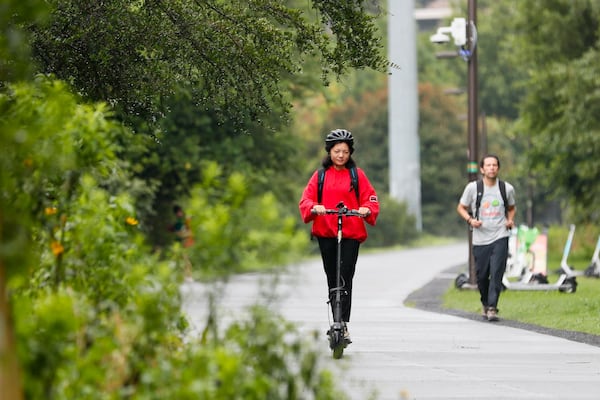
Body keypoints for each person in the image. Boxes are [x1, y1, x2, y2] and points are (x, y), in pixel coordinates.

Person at [299, 129, 379, 341]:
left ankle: (342, 322)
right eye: (337, 151)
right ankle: (335, 318)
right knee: (332, 276)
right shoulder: (320, 176)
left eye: (345, 151)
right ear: (329, 152)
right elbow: (305, 200)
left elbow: (370, 198)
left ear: (350, 152)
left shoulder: (357, 175)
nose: (341, 155)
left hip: (350, 232)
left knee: (346, 275)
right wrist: (315, 207)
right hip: (326, 232)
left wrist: (366, 209)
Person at [456, 154, 516, 322]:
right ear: (482, 169)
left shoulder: (506, 188)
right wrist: (470, 220)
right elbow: (461, 207)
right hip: (480, 238)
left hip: (500, 235)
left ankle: (492, 308)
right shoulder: (473, 188)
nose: (491, 168)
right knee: (482, 276)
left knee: (497, 272)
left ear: (498, 168)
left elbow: (511, 208)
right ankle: (485, 302)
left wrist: (510, 220)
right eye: (488, 165)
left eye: (494, 165)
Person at [169, 204, 195, 282]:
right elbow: (179, 233)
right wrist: (188, 233)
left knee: (184, 260)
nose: (181, 213)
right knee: (184, 260)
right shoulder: (178, 222)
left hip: (183, 242)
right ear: (177, 212)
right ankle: (187, 276)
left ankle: (185, 276)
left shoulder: (182, 221)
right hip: (181, 243)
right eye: (180, 211)